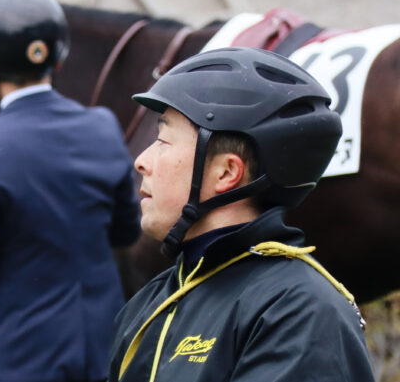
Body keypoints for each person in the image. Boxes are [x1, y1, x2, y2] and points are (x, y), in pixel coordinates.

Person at [108, 47, 373, 381]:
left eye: (163, 140)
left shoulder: (297, 311)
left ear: (226, 173)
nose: (141, 160)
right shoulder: (153, 301)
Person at [0, 0, 140, 382]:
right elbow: (125, 230)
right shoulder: (103, 126)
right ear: (58, 58)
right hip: (106, 352)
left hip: (22, 360)